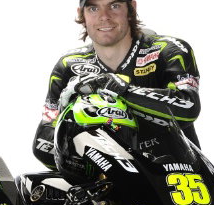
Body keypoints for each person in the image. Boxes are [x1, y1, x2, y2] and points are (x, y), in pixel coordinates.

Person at [33, 0, 201, 169]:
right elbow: (41, 144)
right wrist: (65, 118)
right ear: (81, 14)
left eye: (114, 6)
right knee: (29, 182)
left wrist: (122, 91)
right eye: (93, 8)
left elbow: (188, 106)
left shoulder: (169, 50)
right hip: (104, 180)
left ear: (131, 8)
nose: (104, 16)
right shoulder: (67, 66)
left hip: (175, 174)